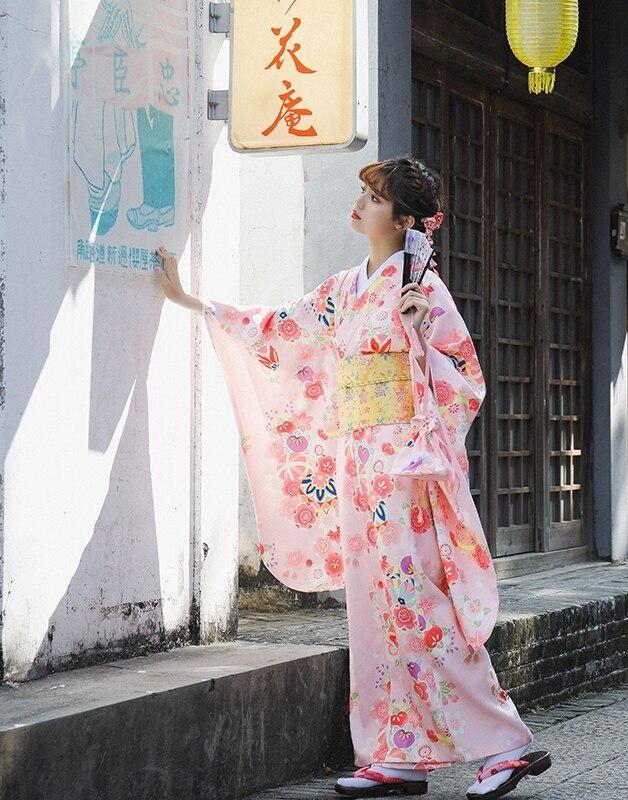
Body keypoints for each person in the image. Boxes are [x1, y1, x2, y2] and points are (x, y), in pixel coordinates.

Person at [154, 155, 551, 799]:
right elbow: (283, 328)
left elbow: (464, 380)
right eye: (363, 193)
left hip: (406, 469)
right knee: (372, 612)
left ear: (402, 220)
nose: (359, 204)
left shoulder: (421, 289)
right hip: (362, 467)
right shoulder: (346, 289)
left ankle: (504, 745)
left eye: (372, 197)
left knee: (422, 607)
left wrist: (422, 339)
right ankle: (395, 753)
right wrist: (194, 303)